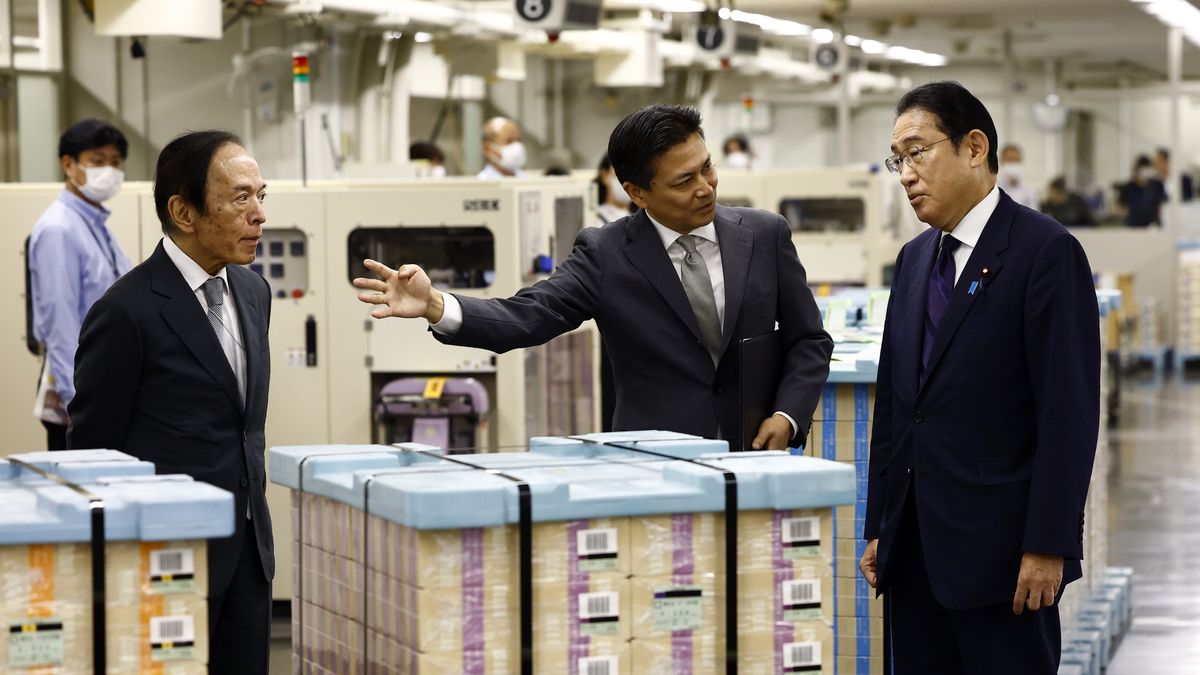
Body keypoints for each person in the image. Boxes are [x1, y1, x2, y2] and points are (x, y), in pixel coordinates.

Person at [356, 104, 832, 449]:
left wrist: (787, 416)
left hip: (758, 455)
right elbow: (530, 315)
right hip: (654, 461)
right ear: (636, 193)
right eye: (684, 181)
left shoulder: (764, 235)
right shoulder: (607, 253)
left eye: (706, 167)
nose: (705, 187)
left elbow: (809, 340)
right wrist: (438, 305)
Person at [859, 82, 1099, 674]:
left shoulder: (1044, 251)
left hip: (1004, 559)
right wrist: (880, 525)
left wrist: (1049, 544)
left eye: (918, 152)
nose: (906, 174)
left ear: (974, 147)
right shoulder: (915, 261)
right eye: (899, 160)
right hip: (914, 554)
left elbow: (1067, 414)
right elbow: (896, 406)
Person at [67, 130, 274, 674]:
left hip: (250, 552)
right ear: (183, 210)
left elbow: (241, 423)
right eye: (240, 198)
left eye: (261, 196)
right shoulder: (126, 311)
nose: (258, 214)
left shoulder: (253, 293)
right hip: (167, 555)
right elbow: (93, 452)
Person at [28, 119, 132, 450]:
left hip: (106, 386)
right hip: (82, 396)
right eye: (98, 161)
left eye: (115, 163)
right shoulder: (59, 229)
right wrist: (78, 402)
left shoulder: (98, 226)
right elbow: (60, 323)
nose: (109, 171)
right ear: (68, 164)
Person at [1117, 155, 1166, 227]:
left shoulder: (1157, 185)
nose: (1143, 174)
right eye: (1141, 170)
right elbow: (1119, 206)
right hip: (1133, 226)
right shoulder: (1129, 187)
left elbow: (1163, 204)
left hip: (1153, 226)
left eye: (1146, 170)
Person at [594, 153, 634, 226]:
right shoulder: (593, 219)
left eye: (632, 176)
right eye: (620, 175)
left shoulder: (644, 220)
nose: (626, 183)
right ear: (604, 175)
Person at [996, 143, 1038, 209]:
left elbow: (1035, 214)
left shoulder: (1029, 191)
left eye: (1016, 160)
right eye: (1009, 160)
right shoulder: (994, 188)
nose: (1013, 164)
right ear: (1001, 161)